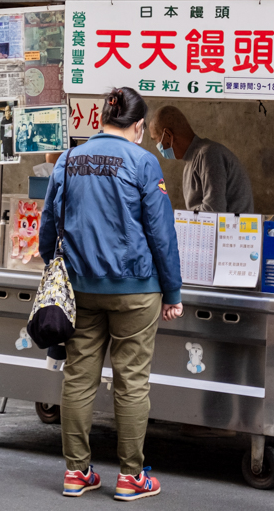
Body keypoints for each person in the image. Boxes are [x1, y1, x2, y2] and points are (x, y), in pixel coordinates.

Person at [39, 87, 183, 502]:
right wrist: (172, 290)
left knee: (79, 378)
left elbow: (50, 223)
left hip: (80, 287)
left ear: (100, 119)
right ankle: (130, 477)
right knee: (131, 383)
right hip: (136, 290)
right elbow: (161, 233)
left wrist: (57, 270)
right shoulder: (143, 161)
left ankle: (75, 473)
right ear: (138, 126)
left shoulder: (67, 160)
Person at [147, 106, 253, 213]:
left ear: (168, 136)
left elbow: (213, 211)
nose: (157, 145)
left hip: (231, 229)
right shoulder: (193, 160)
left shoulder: (208, 155)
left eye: (156, 140)